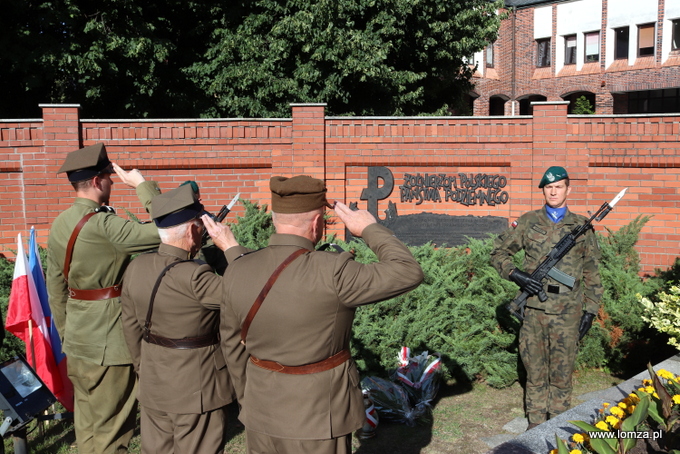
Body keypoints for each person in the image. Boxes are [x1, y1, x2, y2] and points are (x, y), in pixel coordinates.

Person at [202, 175, 424, 454]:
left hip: (261, 411)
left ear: (274, 219)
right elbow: (408, 271)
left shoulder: (237, 269)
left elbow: (232, 346)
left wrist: (250, 400)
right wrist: (369, 229)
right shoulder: (333, 271)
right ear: (318, 223)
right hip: (319, 417)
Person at [46, 143, 163, 453]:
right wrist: (143, 186)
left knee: (87, 430)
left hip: (78, 342)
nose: (113, 182)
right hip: (110, 345)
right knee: (113, 434)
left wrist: (67, 336)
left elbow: (55, 288)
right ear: (98, 182)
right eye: (110, 178)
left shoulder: (59, 224)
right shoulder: (105, 226)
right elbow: (169, 226)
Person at [121, 184, 237, 454]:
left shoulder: (136, 267)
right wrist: (228, 249)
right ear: (194, 229)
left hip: (154, 383)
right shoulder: (196, 276)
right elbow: (245, 293)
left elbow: (130, 328)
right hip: (197, 389)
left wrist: (145, 369)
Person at [490, 166, 603, 430]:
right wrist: (517, 275)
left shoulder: (581, 227)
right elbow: (498, 253)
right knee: (535, 373)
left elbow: (592, 272)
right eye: (549, 187)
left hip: (568, 314)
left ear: (568, 189)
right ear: (543, 190)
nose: (553, 191)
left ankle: (559, 428)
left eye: (559, 186)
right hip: (534, 313)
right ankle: (535, 426)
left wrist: (590, 311)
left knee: (562, 376)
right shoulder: (529, 221)